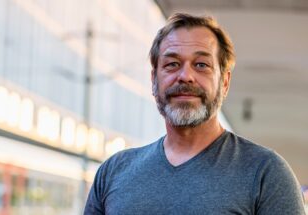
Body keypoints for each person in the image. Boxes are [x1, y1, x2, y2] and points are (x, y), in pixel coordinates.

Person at [84, 13, 305, 214]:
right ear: (154, 80)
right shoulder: (113, 172)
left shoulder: (266, 173)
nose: (186, 76)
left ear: (225, 82)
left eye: (201, 65)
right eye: (172, 64)